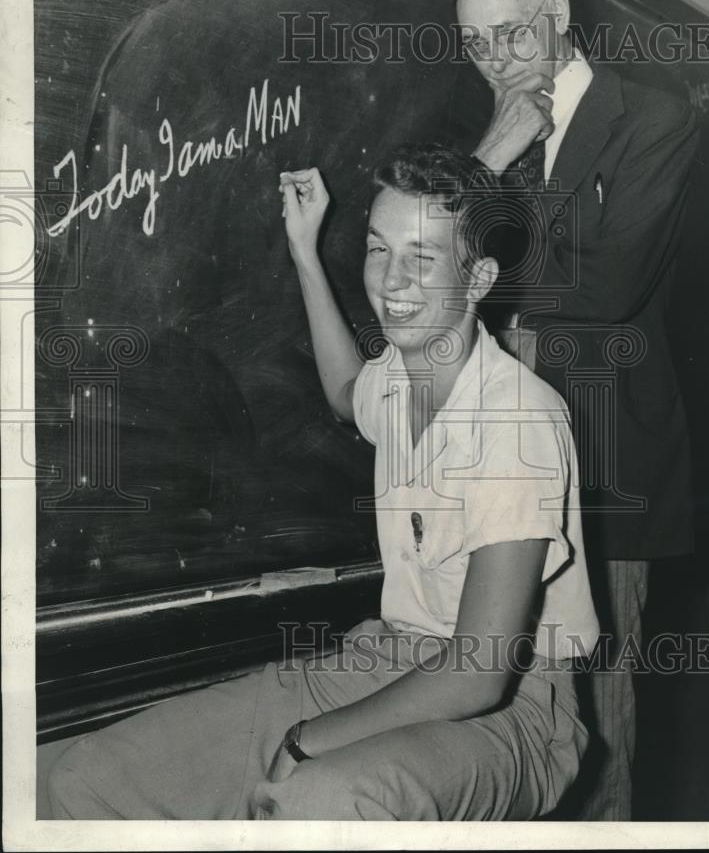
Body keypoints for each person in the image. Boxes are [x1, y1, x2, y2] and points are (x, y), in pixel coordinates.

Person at [48, 144, 599, 821]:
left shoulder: (516, 419)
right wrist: (306, 251)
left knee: (319, 800)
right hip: (388, 658)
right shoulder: (402, 373)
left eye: (420, 260)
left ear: (479, 277)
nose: (390, 282)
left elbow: (479, 674)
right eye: (376, 249)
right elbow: (345, 391)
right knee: (93, 776)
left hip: (515, 705)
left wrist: (307, 742)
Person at [456, 0, 700, 820]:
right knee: (500, 718)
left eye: (511, 36)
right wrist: (490, 159)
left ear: (558, 20)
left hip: (605, 471)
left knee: (598, 723)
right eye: (475, 44)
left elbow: (607, 283)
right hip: (487, 471)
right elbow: (426, 272)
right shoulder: (490, 134)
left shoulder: (654, 119)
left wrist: (481, 214)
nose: (493, 61)